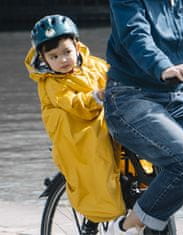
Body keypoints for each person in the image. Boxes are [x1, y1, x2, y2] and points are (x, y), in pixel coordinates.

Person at [104, 0, 183, 234]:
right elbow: (135, 36)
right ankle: (126, 228)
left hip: (176, 97)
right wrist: (163, 67)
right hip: (128, 96)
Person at [24, 14, 125, 234]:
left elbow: (115, 76)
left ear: (77, 46)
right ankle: (97, 220)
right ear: (43, 58)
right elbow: (74, 104)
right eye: (54, 56)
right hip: (81, 132)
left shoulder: (94, 66)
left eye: (67, 52)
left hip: (110, 123)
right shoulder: (52, 83)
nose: (63, 60)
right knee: (97, 172)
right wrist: (96, 97)